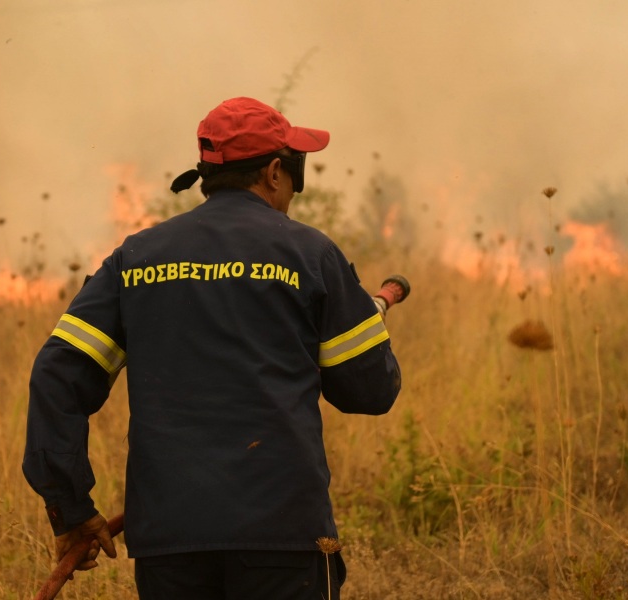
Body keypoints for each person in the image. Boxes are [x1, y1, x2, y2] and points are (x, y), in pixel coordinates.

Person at [23, 96, 402, 599]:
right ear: (274, 172)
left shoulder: (135, 259)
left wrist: (69, 509)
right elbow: (370, 392)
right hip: (283, 536)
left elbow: (57, 378)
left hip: (169, 541)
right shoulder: (311, 255)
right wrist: (362, 329)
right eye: (296, 171)